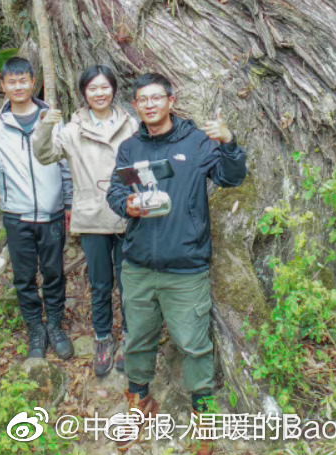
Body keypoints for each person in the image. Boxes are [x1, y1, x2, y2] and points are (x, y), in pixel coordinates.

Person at [106, 73, 246, 437]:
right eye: (142, 100)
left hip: (185, 267)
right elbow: (115, 193)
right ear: (135, 106)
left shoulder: (197, 142)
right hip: (137, 264)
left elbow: (232, 178)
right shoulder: (130, 148)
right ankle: (139, 399)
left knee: (193, 344)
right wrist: (128, 205)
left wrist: (229, 144)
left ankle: (203, 414)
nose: (150, 104)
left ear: (171, 99)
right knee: (137, 337)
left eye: (156, 98)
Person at [0, 57, 74, 360]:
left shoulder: (52, 118)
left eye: (24, 80)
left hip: (53, 213)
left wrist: (70, 203)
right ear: (3, 86)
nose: (18, 86)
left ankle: (56, 326)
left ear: (34, 82)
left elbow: (66, 165)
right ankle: (36, 329)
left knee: (54, 273)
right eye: (12, 81)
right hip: (16, 215)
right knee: (23, 277)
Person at [34, 64, 137, 377]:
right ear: (83, 93)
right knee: (101, 283)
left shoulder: (130, 124)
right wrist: (45, 127)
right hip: (92, 215)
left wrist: (132, 191)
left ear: (114, 90)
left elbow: (139, 162)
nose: (100, 93)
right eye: (93, 88)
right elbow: (45, 155)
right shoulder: (72, 129)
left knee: (130, 282)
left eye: (105, 87)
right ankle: (103, 338)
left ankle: (132, 338)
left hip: (128, 213)